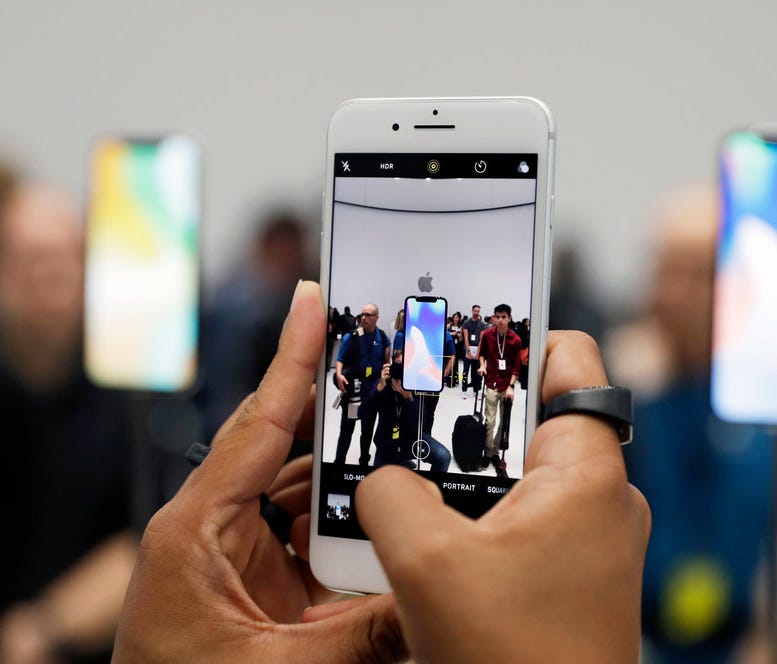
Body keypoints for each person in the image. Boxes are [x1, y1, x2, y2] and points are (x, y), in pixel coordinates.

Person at [112, 281, 650, 663]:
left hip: (465, 397)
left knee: (462, 447)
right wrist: (350, 381)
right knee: (354, 448)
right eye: (367, 316)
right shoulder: (365, 342)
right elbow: (348, 367)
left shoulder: (465, 341)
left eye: (373, 317)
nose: (370, 321)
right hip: (365, 405)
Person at [606, 184, 773, 663]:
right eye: (665, 269)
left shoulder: (758, 399)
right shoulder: (614, 385)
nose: (673, 293)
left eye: (697, 274)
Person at [0, 182, 138, 663]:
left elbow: (153, 540)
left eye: (69, 256)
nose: (54, 275)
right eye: (35, 258)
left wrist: (44, 628)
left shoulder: (126, 399)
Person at [334, 302, 390, 466]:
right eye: (362, 314)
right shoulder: (351, 337)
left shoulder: (382, 336)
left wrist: (385, 374)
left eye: (368, 315)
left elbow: (387, 360)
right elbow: (340, 359)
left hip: (372, 391)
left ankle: (364, 462)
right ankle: (339, 463)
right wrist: (338, 374)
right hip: (354, 389)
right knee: (347, 430)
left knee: (367, 430)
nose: (363, 318)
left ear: (376, 317)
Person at [372, 362, 451, 473]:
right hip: (387, 443)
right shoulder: (383, 383)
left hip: (410, 439)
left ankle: (431, 489)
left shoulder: (414, 385)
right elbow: (363, 413)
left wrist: (408, 397)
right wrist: (379, 388)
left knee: (443, 457)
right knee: (377, 484)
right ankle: (400, 460)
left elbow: (421, 423)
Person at [477, 303, 522, 469]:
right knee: (489, 421)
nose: (501, 320)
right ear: (494, 318)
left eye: (504, 317)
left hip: (506, 386)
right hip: (491, 383)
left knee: (504, 422)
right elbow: (482, 354)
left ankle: (495, 451)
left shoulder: (515, 340)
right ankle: (488, 452)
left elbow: (516, 367)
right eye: (498, 317)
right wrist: (482, 365)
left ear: (509, 318)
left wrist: (511, 386)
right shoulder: (488, 335)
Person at [460, 304, 486, 395]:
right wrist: (468, 351)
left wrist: (478, 352)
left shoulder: (482, 324)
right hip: (468, 348)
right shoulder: (466, 323)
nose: (476, 313)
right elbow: (466, 337)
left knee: (477, 371)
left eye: (478, 311)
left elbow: (481, 339)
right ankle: (464, 389)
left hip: (477, 350)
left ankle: (476, 390)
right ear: (472, 311)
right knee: (465, 371)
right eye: (475, 311)